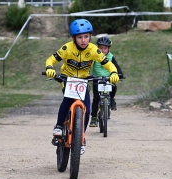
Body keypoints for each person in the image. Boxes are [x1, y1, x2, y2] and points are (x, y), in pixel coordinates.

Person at [44, 19, 119, 154]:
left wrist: (113, 72)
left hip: (83, 82)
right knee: (67, 101)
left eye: (86, 37)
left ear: (90, 37)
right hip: (68, 79)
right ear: (74, 38)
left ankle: (81, 138)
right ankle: (59, 126)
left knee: (87, 109)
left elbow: (108, 63)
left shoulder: (94, 50)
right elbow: (51, 59)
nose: (83, 40)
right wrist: (49, 68)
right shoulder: (67, 48)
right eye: (79, 37)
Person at [89, 36, 124, 127]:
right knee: (96, 98)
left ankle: (112, 99)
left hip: (108, 78)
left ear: (109, 48)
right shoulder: (94, 56)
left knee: (114, 87)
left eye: (105, 48)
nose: (103, 50)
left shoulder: (111, 57)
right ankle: (93, 118)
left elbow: (116, 66)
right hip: (96, 78)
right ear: (97, 48)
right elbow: (88, 66)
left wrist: (120, 74)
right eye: (101, 48)